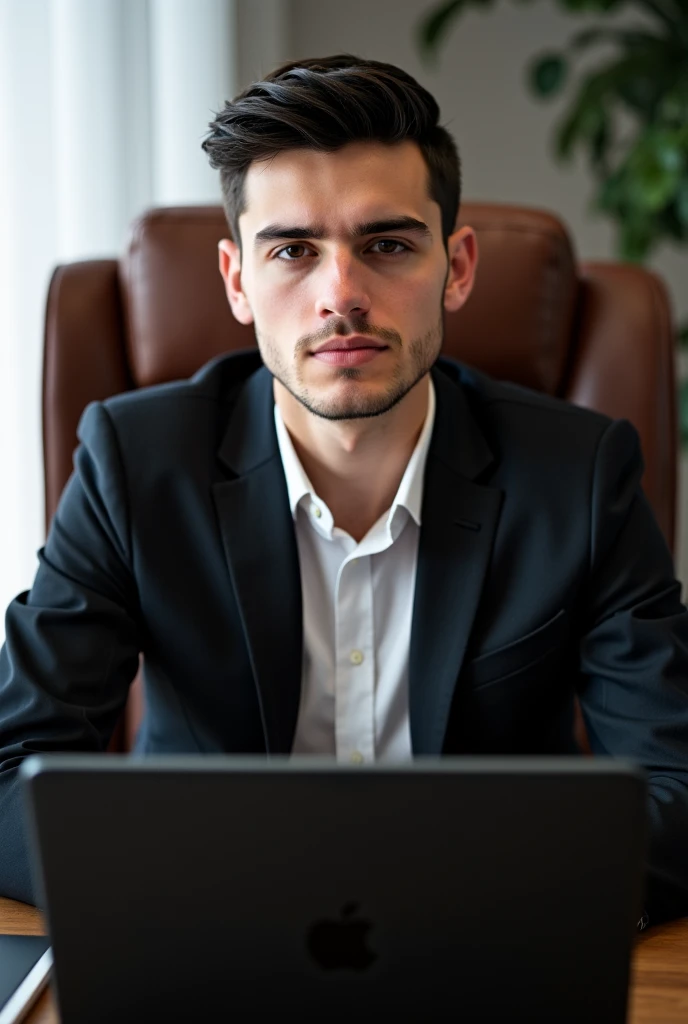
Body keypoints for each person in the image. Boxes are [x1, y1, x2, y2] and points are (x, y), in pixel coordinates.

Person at [1, 54, 687, 925]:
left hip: (478, 954)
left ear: (458, 265)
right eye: (293, 249)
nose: (342, 296)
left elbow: (678, 787)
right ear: (237, 281)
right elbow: (10, 769)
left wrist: (429, 894)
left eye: (388, 245)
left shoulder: (580, 476)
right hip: (207, 945)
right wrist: (241, 893)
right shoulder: (135, 463)